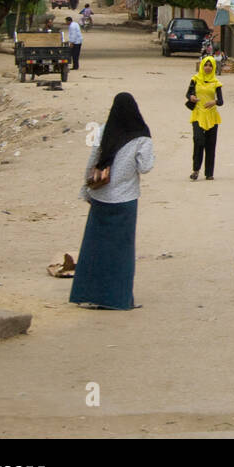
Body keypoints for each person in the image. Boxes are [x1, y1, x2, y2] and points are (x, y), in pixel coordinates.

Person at [71, 93, 154, 310]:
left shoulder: (103, 129)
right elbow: (145, 167)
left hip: (101, 198)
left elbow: (93, 161)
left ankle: (89, 295)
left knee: (94, 249)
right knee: (122, 252)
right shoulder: (141, 137)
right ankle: (119, 299)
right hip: (125, 200)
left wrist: (87, 188)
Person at [186, 55, 223, 180]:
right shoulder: (195, 79)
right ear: (202, 66)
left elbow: (221, 101)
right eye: (205, 65)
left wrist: (214, 102)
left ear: (213, 67)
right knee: (198, 140)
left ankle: (209, 173)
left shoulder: (216, 83)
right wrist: (191, 97)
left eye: (210, 66)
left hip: (212, 116)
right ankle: (196, 170)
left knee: (210, 144)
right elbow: (188, 93)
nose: (207, 68)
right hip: (198, 114)